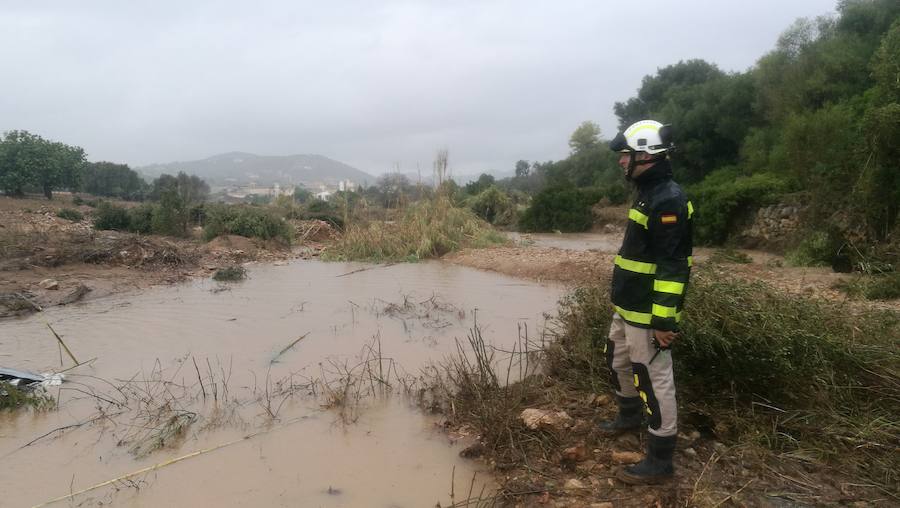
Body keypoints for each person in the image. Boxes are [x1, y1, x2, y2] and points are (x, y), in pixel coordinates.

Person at [601, 119, 693, 485]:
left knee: (653, 378)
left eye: (627, 155)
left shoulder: (668, 199)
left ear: (647, 154)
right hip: (627, 306)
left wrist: (664, 321)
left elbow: (674, 265)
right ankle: (627, 417)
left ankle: (660, 457)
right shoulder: (647, 192)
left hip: (647, 313)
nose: (622, 162)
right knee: (617, 360)